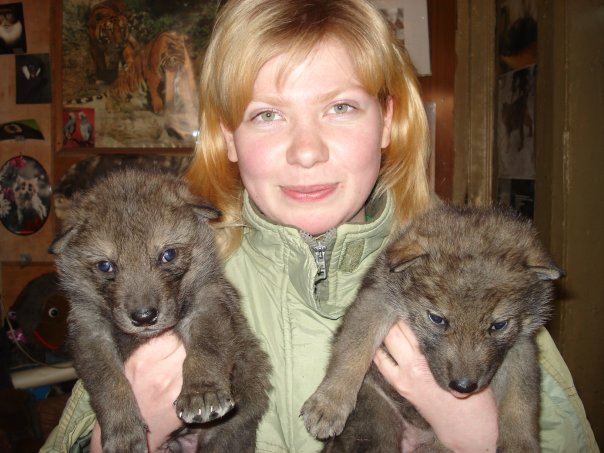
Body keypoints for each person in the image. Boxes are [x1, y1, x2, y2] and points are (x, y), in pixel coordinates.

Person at [42, 0, 598, 452]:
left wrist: (480, 439)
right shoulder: (186, 277)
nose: (306, 151)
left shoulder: (474, 277)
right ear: (228, 136)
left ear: (389, 121)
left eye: (340, 108)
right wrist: (121, 434)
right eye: (267, 114)